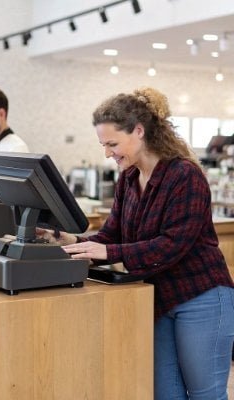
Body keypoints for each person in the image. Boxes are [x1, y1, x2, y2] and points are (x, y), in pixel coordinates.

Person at [39, 87, 234, 399]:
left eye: (112, 144)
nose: (107, 153)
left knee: (205, 394)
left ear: (139, 132)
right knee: (164, 393)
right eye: (103, 145)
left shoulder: (185, 176)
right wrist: (71, 241)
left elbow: (171, 244)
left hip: (201, 296)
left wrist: (107, 251)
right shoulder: (128, 179)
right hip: (158, 297)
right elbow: (112, 235)